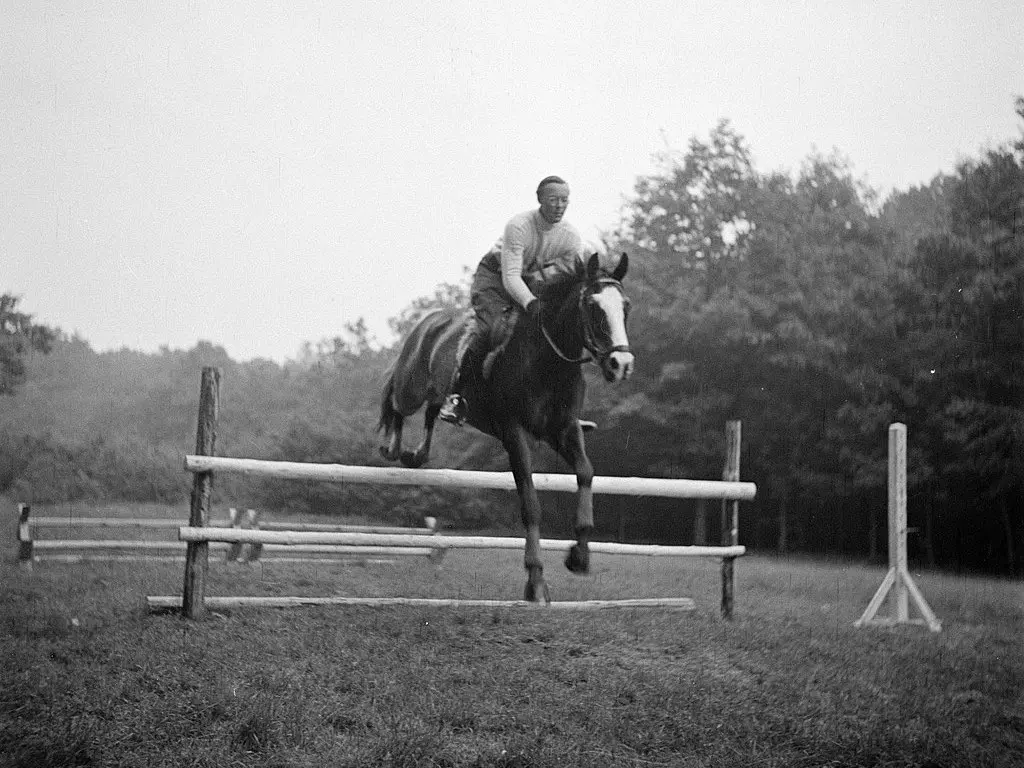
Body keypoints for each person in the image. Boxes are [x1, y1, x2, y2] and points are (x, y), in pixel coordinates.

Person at [439, 176, 586, 425]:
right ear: (540, 200)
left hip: (529, 280)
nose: (560, 206)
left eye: (564, 201)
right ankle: (457, 397)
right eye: (553, 200)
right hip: (495, 279)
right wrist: (531, 303)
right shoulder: (519, 226)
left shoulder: (570, 236)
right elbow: (510, 278)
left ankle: (563, 410)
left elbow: (573, 275)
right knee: (489, 329)